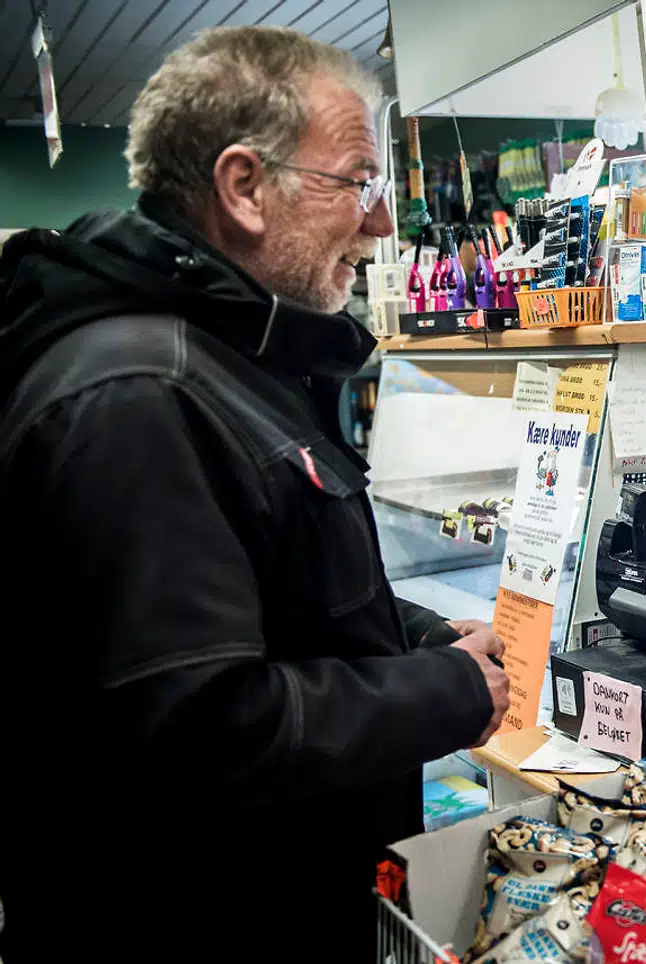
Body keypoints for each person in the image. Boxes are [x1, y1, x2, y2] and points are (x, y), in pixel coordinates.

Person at [0, 27, 509, 958]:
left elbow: (269, 595)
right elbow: (200, 728)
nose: (382, 222)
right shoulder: (139, 396)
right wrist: (439, 694)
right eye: (357, 181)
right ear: (244, 189)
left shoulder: (219, 358)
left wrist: (421, 640)